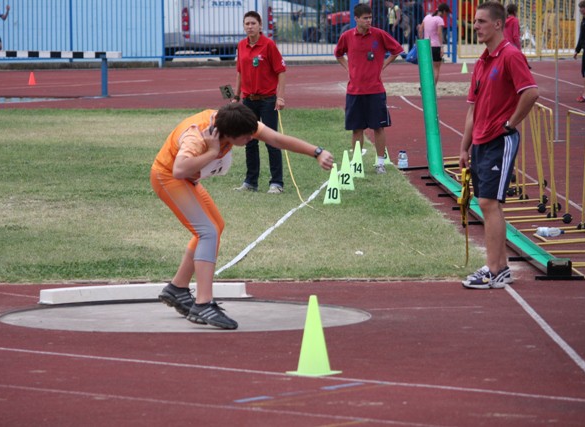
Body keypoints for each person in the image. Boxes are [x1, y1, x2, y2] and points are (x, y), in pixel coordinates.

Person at [152, 103, 334, 329]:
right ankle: (203, 303)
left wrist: (316, 151)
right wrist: (211, 152)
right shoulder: (197, 136)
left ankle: (177, 288)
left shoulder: (236, 122)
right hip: (169, 177)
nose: (251, 139)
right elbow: (179, 169)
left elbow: (275, 139)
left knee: (215, 226)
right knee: (207, 231)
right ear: (229, 134)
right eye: (246, 138)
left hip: (188, 179)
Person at [459, 2, 538, 290]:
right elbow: (472, 109)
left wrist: (510, 123)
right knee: (485, 203)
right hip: (479, 142)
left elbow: (530, 92)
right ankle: (499, 266)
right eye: (475, 22)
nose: (476, 26)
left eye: (480, 21)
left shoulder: (510, 56)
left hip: (498, 140)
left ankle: (495, 269)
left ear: (496, 24)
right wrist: (464, 148)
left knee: (489, 203)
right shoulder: (481, 62)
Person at [334, 3, 404, 174]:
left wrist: (383, 66)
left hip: (375, 90)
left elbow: (396, 50)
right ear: (356, 19)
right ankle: (356, 163)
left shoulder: (379, 35)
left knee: (378, 127)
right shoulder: (347, 36)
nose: (368, 21)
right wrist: (348, 68)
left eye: (370, 17)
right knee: (357, 129)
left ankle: (380, 163)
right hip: (354, 91)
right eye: (365, 18)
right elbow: (338, 54)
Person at [233, 11, 287, 194]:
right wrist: (236, 95)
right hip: (249, 100)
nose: (250, 26)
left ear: (260, 25)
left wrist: (280, 97)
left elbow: (281, 71)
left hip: (268, 100)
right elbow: (239, 72)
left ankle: (277, 183)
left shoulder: (269, 45)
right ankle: (251, 182)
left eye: (253, 23)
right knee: (249, 140)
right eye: (247, 23)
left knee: (272, 140)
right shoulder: (241, 45)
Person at [418, 2, 450, 86]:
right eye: (446, 13)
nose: (446, 15)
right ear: (443, 11)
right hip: (435, 46)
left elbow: (420, 29)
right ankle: (432, 89)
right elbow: (439, 33)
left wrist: (422, 40)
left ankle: (424, 87)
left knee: (427, 68)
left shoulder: (427, 17)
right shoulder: (439, 19)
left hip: (426, 46)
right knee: (436, 68)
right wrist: (442, 47)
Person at [574, 1, 585, 102]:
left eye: (581, 8)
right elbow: (581, 37)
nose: (580, 10)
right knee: (584, 72)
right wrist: (577, 50)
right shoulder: (584, 20)